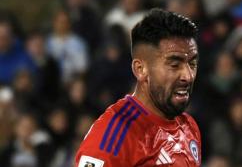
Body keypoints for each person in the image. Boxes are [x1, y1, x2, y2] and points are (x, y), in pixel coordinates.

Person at [75, 9, 202, 166]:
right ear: (140, 69)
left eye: (192, 64)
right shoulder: (114, 134)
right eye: (174, 65)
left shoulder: (189, 126)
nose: (188, 76)